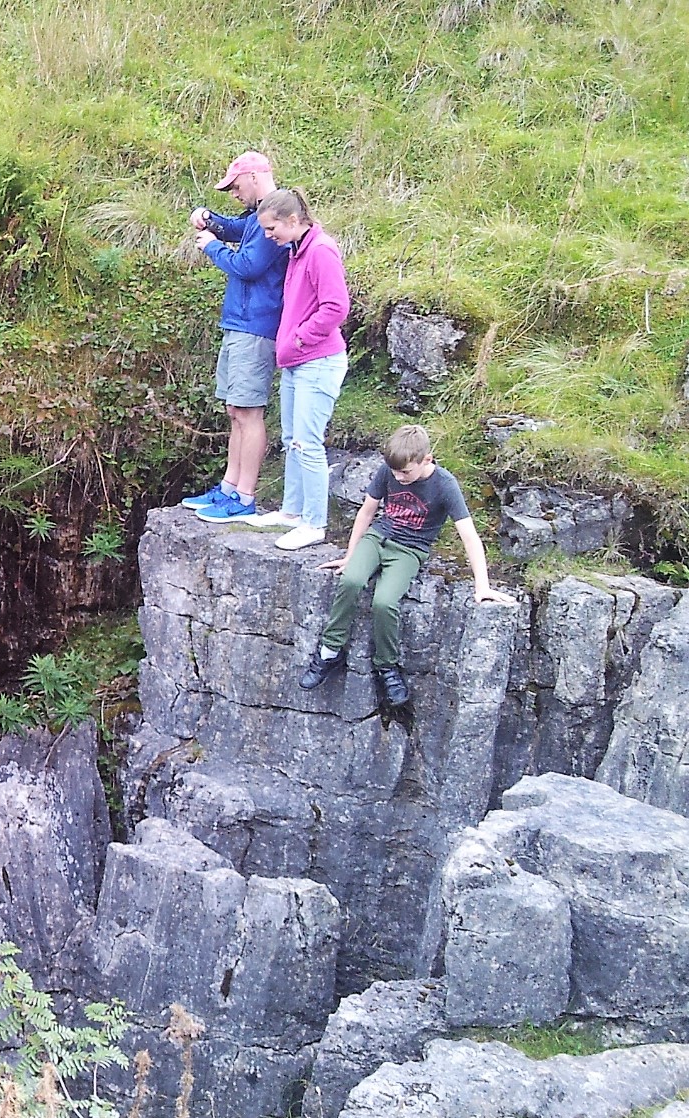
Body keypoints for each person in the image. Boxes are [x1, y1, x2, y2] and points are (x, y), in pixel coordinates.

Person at [299, 424, 516, 707]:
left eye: (405, 472)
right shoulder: (389, 471)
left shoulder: (445, 484)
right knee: (351, 580)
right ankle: (329, 651)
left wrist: (482, 586)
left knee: (384, 602)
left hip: (410, 549)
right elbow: (367, 512)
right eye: (395, 472)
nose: (399, 478)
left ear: (427, 459)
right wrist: (351, 554)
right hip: (378, 537)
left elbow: (469, 536)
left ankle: (386, 666)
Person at [183, 151, 288, 524]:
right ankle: (229, 488)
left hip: (255, 325)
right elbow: (236, 229)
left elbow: (249, 265)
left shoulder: (275, 215)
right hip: (240, 323)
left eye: (236, 185)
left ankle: (244, 496)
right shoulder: (258, 215)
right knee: (234, 410)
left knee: (248, 411)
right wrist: (211, 221)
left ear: (255, 176)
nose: (234, 193)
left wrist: (211, 246)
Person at [248, 187, 350, 551]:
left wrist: (300, 339)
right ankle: (292, 512)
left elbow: (336, 307)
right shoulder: (296, 249)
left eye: (272, 228)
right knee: (292, 439)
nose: (268, 235)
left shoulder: (320, 250)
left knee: (308, 443)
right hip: (297, 361)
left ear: (293, 220)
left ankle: (314, 523)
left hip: (318, 362)